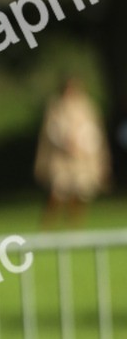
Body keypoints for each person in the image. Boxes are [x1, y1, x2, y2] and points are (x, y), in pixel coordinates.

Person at [34, 75, 112, 226]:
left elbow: (93, 131)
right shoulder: (56, 107)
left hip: (82, 159)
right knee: (59, 191)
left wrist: (85, 146)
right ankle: (48, 224)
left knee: (82, 191)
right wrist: (66, 143)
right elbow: (51, 131)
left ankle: (75, 223)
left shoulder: (87, 106)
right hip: (60, 158)